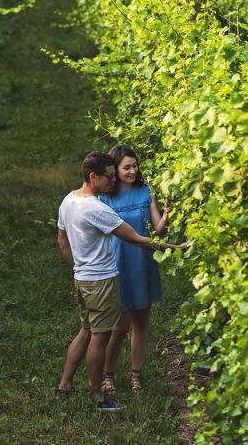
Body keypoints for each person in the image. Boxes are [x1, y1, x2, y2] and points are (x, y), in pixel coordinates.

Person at [55, 151, 185, 412]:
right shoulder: (98, 208)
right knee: (100, 338)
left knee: (87, 331)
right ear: (93, 177)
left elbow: (62, 240)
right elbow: (138, 239)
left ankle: (65, 385)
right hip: (101, 280)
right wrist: (174, 247)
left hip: (82, 278)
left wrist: (77, 269)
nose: (113, 180)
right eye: (109, 176)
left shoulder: (69, 200)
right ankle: (98, 397)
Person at [99, 144, 172, 395]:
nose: (132, 171)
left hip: (142, 262)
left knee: (142, 322)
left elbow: (158, 230)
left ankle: (135, 376)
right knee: (119, 327)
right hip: (117, 264)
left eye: (135, 165)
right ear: (115, 170)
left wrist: (166, 213)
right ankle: (107, 374)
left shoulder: (144, 191)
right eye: (126, 167)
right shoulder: (104, 197)